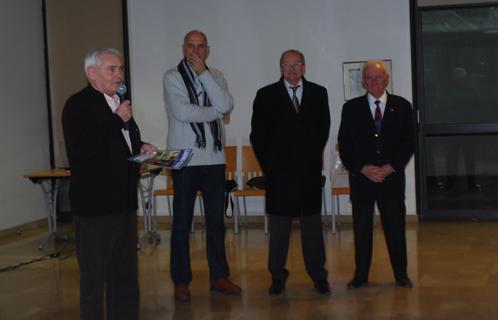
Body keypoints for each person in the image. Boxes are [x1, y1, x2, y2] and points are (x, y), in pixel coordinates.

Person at [62, 48, 157, 320]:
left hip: (123, 203)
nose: (119, 75)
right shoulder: (78, 105)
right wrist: (117, 121)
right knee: (94, 277)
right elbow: (83, 150)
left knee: (125, 274)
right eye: (111, 69)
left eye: (121, 69)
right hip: (95, 207)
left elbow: (118, 145)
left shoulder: (118, 102)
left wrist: (141, 146)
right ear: (91, 73)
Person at [162, 30, 240, 303]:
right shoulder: (172, 76)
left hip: (214, 159)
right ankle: (181, 281)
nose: (196, 52)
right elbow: (183, 112)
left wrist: (205, 75)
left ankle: (219, 276)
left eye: (201, 47)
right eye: (191, 47)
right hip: (184, 158)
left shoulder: (215, 76)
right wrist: (216, 113)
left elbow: (227, 103)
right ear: (184, 49)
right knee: (182, 222)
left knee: (216, 222)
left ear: (207, 50)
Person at [250, 49, 331, 296]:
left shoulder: (319, 93)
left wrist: (309, 159)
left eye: (297, 64)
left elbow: (323, 130)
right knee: (280, 229)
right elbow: (258, 136)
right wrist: (270, 167)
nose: (292, 69)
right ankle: (277, 276)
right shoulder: (265, 95)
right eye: (287, 64)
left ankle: (319, 277)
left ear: (304, 67)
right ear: (281, 68)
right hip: (279, 174)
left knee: (312, 228)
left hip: (308, 173)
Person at [338, 60, 415, 289]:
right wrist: (362, 168)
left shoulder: (402, 106)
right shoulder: (351, 108)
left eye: (378, 77)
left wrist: (390, 167)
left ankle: (401, 274)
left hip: (391, 179)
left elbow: (408, 142)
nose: (373, 81)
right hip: (362, 179)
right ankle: (361, 275)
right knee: (362, 231)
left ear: (386, 79)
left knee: (395, 229)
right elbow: (345, 144)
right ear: (363, 82)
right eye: (369, 78)